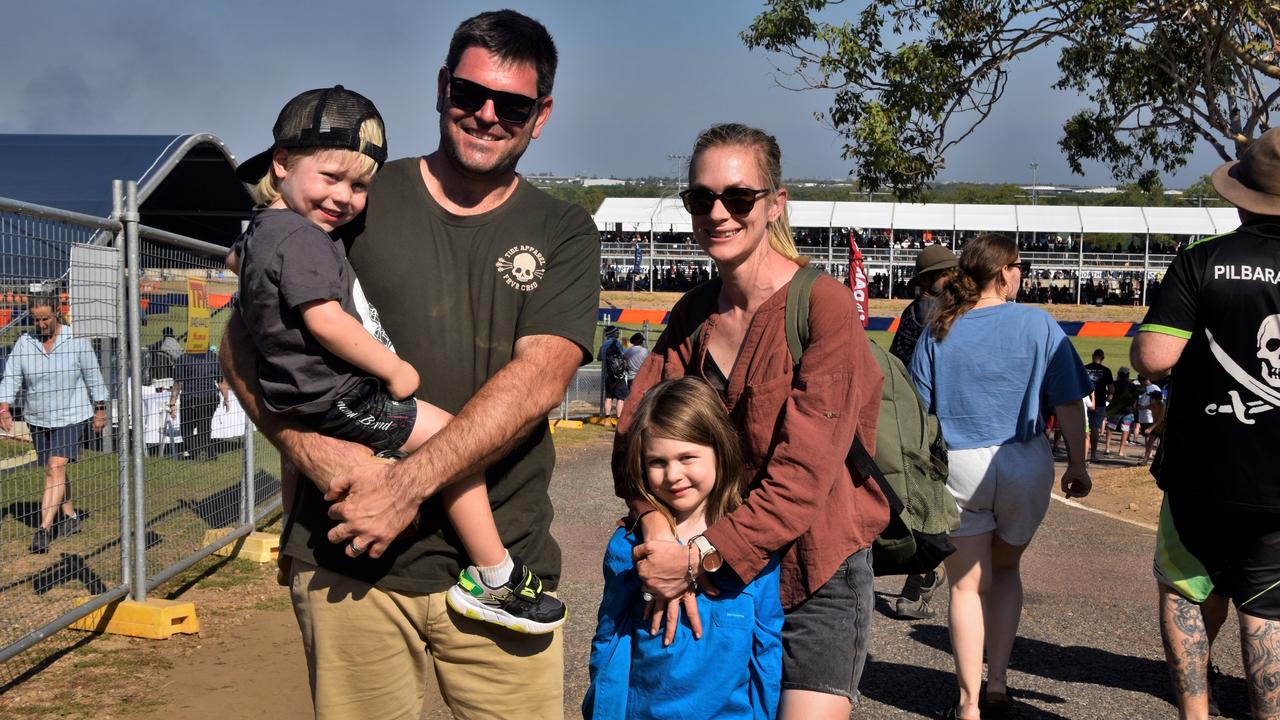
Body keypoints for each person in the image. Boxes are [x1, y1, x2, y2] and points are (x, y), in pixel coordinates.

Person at [219, 10, 599, 719]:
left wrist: (405, 487)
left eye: (512, 104)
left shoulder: (562, 229)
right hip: (349, 560)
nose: (486, 115)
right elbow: (241, 341)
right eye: (469, 94)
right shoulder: (349, 196)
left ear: (540, 115)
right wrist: (313, 451)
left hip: (502, 582)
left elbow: (540, 379)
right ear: (440, 88)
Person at [227, 84, 562, 633]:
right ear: (282, 163)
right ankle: (494, 574)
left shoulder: (264, 229)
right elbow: (324, 319)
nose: (343, 197)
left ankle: (294, 536)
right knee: (452, 441)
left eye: (359, 185)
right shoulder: (305, 239)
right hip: (340, 392)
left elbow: (242, 270)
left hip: (299, 394)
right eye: (330, 178)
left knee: (306, 467)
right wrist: (392, 369)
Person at [615, 123, 888, 720]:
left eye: (738, 198)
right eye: (700, 198)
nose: (718, 212)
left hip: (812, 570)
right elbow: (633, 439)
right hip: (712, 574)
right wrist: (659, 532)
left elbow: (801, 477)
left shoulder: (823, 305)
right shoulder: (694, 313)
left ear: (775, 204)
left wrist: (695, 558)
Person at [909, 234, 1092, 719]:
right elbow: (1069, 401)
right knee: (1007, 571)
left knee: (966, 586)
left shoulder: (939, 326)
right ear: (1003, 271)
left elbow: (918, 410)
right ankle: (998, 683)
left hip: (960, 462)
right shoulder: (1039, 323)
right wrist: (1078, 463)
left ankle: (967, 703)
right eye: (1020, 266)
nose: (1022, 274)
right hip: (1023, 459)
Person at [1133, 126, 1280, 720]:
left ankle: (1194, 715)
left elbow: (1153, 358)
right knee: (1269, 609)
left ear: (1240, 196)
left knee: (1185, 591)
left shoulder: (1201, 263)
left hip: (1201, 472)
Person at [585, 377, 782, 720]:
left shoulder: (754, 552)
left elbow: (766, 652)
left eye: (687, 457)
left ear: (720, 451)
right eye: (657, 462)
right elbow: (610, 644)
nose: (673, 475)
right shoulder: (629, 549)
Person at [0, 294, 108, 553]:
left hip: (72, 413)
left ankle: (44, 530)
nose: (41, 324)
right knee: (55, 469)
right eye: (36, 320)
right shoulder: (25, 343)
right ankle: (70, 517)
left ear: (57, 313)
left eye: (45, 318)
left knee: (54, 467)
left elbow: (93, 374)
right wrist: (3, 407)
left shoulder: (76, 340)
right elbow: (12, 375)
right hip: (38, 416)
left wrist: (100, 408)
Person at [888, 243, 958, 621]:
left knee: (928, 505)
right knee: (936, 507)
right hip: (943, 423)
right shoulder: (953, 313)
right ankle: (923, 578)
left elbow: (896, 365)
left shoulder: (913, 313)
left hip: (921, 421)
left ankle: (922, 579)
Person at [170, 343, 229, 462]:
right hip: (210, 398)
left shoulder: (184, 358)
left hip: (190, 398)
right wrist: (226, 399)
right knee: (205, 427)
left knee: (186, 430)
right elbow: (221, 382)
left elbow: (178, 383)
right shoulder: (213, 358)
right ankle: (209, 454)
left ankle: (198, 453)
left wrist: (172, 402)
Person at [1083, 348, 1114, 462]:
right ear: (1103, 358)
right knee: (1095, 427)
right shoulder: (1106, 371)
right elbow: (1111, 389)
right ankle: (1093, 454)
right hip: (1100, 402)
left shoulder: (1085, 368)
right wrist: (1107, 396)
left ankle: (1082, 453)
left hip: (1085, 401)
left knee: (1083, 427)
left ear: (1092, 356)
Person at [1103, 367, 1138, 457]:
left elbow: (1109, 396)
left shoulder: (1114, 384)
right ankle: (1121, 451)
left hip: (1115, 410)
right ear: (1128, 375)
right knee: (1125, 431)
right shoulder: (1132, 385)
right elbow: (1135, 400)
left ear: (1118, 374)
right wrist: (1133, 409)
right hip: (1127, 411)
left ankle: (1107, 448)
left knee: (1110, 429)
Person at [600, 325, 628, 417]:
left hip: (607, 374)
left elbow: (599, 357)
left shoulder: (604, 344)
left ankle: (607, 418)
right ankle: (618, 418)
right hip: (618, 374)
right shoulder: (617, 343)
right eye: (617, 332)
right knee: (620, 398)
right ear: (614, 334)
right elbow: (624, 355)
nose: (618, 333)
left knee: (608, 396)